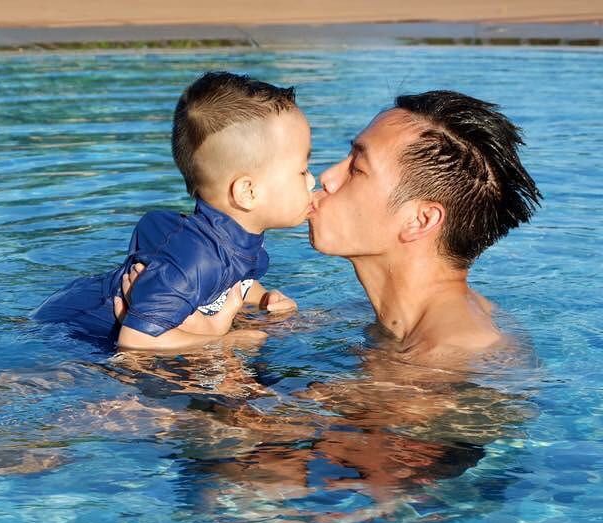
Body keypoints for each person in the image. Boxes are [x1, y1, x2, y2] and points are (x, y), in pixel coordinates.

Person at [32, 71, 315, 352]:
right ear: (248, 192)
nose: (312, 181)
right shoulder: (196, 258)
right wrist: (221, 341)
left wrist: (263, 299)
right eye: (302, 170)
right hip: (68, 330)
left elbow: (236, 281)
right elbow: (136, 341)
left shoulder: (235, 240)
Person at [307, 89, 542, 367]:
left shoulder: (437, 362)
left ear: (420, 220)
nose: (328, 177)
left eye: (357, 169)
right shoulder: (412, 319)